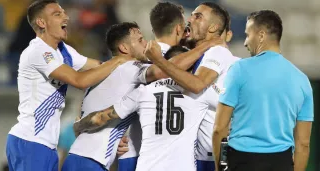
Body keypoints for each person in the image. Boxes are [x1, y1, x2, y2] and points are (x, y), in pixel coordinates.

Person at [62, 22, 219, 171]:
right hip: (91, 162)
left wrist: (81, 126)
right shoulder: (129, 68)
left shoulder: (109, 70)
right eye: (140, 40)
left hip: (80, 157)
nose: (146, 44)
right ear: (124, 47)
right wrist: (207, 45)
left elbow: (97, 118)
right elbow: (163, 70)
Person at [5, 1, 133, 170]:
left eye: (64, 13)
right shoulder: (38, 51)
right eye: (57, 14)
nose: (66, 17)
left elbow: (100, 67)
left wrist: (132, 65)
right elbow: (79, 81)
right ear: (42, 23)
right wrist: (118, 59)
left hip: (46, 144)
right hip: (31, 140)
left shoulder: (63, 50)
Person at [212, 10, 314, 171]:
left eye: (247, 35)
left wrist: (219, 168)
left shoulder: (238, 69)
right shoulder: (302, 80)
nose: (245, 42)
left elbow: (219, 129)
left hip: (242, 161)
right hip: (281, 162)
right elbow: (303, 143)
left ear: (261, 35)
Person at [144, 2, 238, 171]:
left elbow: (197, 85)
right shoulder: (198, 54)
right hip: (198, 156)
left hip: (214, 158)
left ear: (213, 27)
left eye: (198, 16)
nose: (190, 19)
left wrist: (158, 60)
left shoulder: (217, 52)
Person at [117, 2, 186, 170]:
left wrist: (109, 133)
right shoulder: (188, 62)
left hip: (131, 152)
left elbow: (111, 95)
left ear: (153, 30)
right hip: (173, 158)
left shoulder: (131, 60)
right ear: (179, 29)